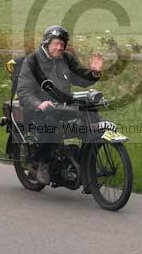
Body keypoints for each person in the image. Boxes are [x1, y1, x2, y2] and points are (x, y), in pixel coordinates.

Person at [17, 25, 105, 184]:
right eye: (56, 43)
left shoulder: (66, 58)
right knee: (50, 123)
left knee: (95, 120)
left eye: (62, 44)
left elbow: (80, 78)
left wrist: (93, 73)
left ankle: (86, 163)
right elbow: (24, 91)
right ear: (47, 42)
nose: (59, 47)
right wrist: (39, 103)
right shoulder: (32, 61)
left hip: (63, 106)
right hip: (38, 109)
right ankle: (43, 163)